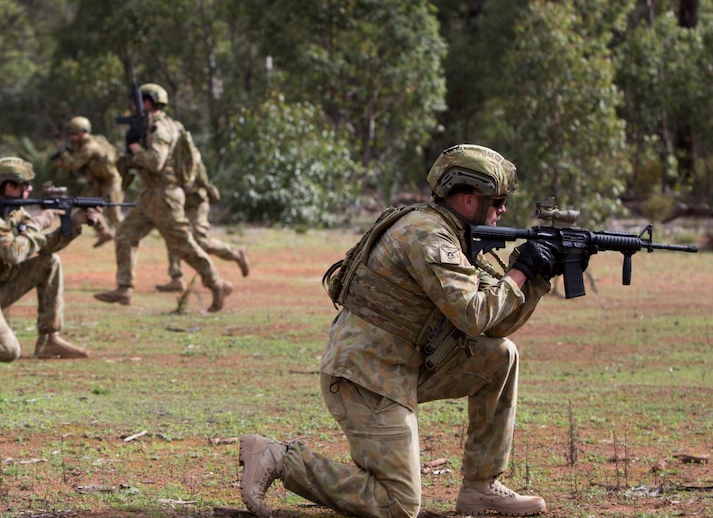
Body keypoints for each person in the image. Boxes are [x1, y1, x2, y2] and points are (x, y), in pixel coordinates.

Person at [238, 144, 561, 518]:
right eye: (497, 200)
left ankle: (480, 487)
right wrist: (517, 273)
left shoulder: (452, 237)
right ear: (470, 200)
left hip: (402, 367)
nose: (502, 209)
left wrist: (533, 278)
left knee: (500, 355)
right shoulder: (428, 236)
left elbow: (495, 325)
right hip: (366, 377)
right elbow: (473, 316)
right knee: (399, 505)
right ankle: (279, 459)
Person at [0, 156, 99, 362]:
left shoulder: (14, 212)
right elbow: (13, 253)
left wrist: (74, 225)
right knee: (8, 352)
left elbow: (43, 247)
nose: (30, 189)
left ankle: (49, 340)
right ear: (7, 185)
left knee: (49, 263)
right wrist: (37, 223)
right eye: (25, 185)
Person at [94, 83, 233, 311]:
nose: (133, 106)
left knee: (184, 246)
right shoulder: (150, 127)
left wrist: (137, 150)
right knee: (124, 236)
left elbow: (155, 162)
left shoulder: (162, 129)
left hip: (166, 197)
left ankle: (217, 284)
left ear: (149, 102)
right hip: (150, 195)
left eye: (138, 101)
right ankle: (124, 289)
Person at [156, 129, 249, 293]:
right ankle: (176, 278)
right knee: (173, 237)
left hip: (195, 203)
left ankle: (235, 254)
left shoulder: (190, 155)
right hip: (180, 203)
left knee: (200, 241)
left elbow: (190, 182)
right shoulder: (166, 155)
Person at [55, 116, 124, 248]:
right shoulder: (84, 145)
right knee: (85, 204)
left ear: (82, 132)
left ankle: (126, 236)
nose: (72, 137)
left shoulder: (90, 146)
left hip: (110, 180)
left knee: (113, 213)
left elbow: (73, 163)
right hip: (97, 181)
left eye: (74, 134)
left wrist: (62, 152)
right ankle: (104, 232)